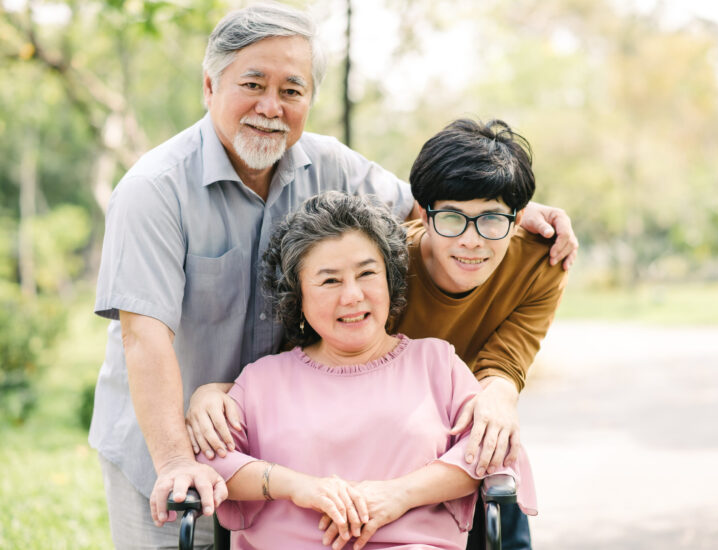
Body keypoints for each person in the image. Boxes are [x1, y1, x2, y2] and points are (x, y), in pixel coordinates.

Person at [91, 3, 576, 548]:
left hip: (285, 444)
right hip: (171, 440)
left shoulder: (334, 166)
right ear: (209, 85)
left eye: (292, 91)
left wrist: (514, 214)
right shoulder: (153, 189)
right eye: (252, 83)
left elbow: (428, 204)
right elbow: (143, 334)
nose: (271, 107)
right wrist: (177, 458)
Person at [189, 118, 565, 549]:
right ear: (422, 213)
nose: (472, 240)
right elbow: (284, 375)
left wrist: (496, 400)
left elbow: (507, 362)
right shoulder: (382, 255)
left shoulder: (537, 266)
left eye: (493, 219)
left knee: (499, 479)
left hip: (423, 511)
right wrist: (213, 396)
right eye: (453, 217)